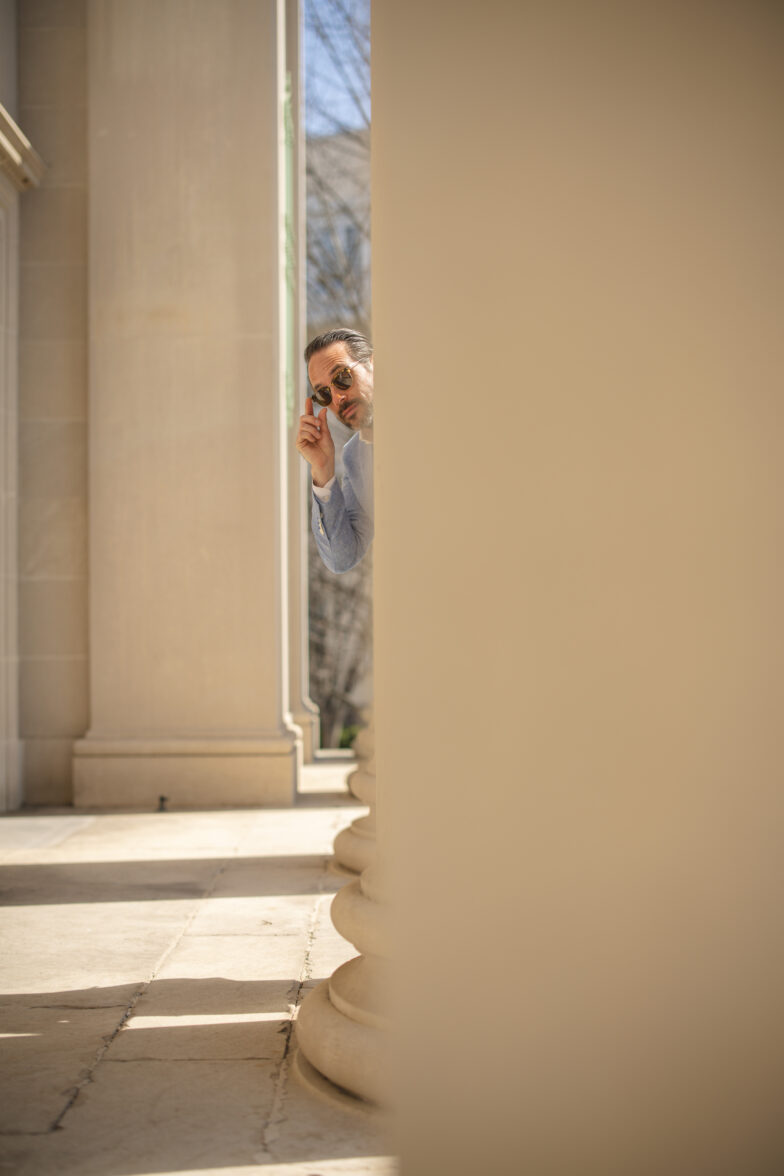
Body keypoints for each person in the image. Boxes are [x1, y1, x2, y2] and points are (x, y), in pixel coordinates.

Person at [296, 328, 374, 573]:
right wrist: (323, 470)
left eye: (342, 377)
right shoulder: (355, 458)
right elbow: (342, 558)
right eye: (324, 393)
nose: (338, 397)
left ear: (374, 365)